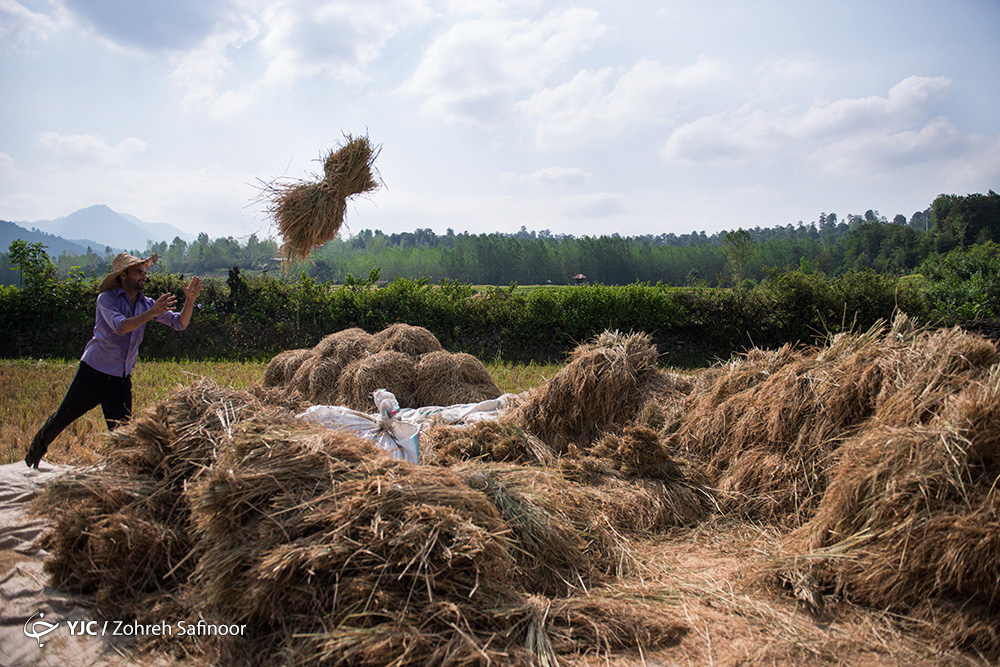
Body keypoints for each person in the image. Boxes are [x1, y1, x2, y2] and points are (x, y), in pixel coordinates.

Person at [23, 252, 202, 469]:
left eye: (144, 272)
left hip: (120, 380)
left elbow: (179, 324)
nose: (143, 276)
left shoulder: (146, 304)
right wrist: (153, 312)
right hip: (93, 374)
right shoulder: (106, 299)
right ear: (122, 276)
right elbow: (121, 327)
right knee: (63, 417)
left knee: (123, 435)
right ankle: (33, 455)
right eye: (138, 272)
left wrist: (190, 301)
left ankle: (120, 475)